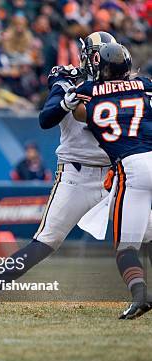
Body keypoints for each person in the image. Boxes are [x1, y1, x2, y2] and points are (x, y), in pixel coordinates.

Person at [0, 32, 116, 316]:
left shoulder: (124, 86)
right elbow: (46, 118)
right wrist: (66, 102)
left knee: (144, 231)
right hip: (76, 176)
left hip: (114, 176)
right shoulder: (68, 79)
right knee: (46, 241)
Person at [73, 43, 152, 319]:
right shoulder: (143, 84)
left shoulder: (88, 92)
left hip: (132, 169)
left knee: (126, 246)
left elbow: (77, 112)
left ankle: (140, 297)